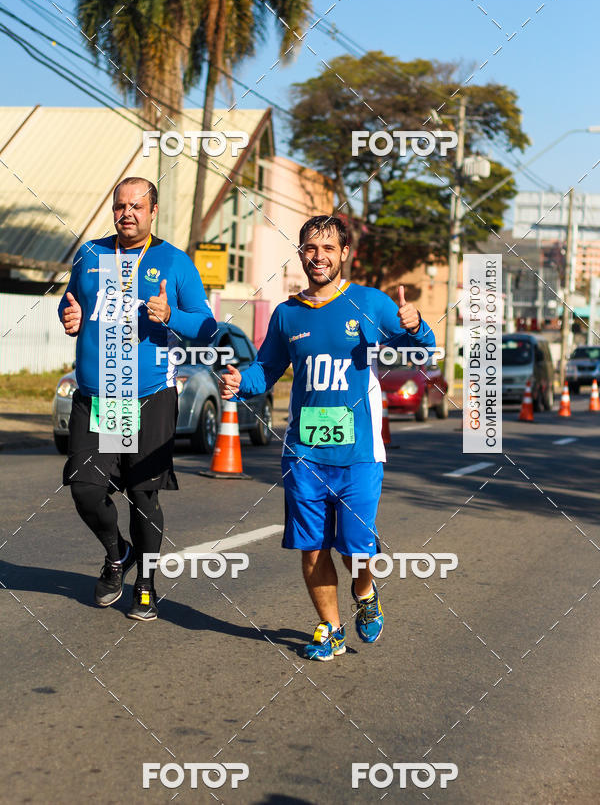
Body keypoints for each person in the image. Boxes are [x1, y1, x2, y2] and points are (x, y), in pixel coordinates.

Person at [220, 215, 435, 660]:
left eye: (327, 249)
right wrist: (242, 380)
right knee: (312, 547)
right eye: (309, 249)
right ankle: (330, 628)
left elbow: (421, 353)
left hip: (359, 455)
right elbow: (267, 370)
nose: (318, 257)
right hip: (304, 455)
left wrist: (415, 326)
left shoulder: (370, 305)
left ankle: (365, 589)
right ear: (301, 253)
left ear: (344, 254)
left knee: (357, 550)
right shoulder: (287, 313)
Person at [59, 177, 216, 620]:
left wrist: (173, 316)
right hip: (98, 396)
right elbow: (70, 302)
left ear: (154, 211)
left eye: (136, 206)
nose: (127, 213)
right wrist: (67, 315)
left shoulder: (173, 261)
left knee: (143, 496)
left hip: (148, 396)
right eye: (120, 206)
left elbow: (206, 326)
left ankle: (145, 583)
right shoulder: (91, 254)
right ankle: (117, 555)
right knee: (86, 490)